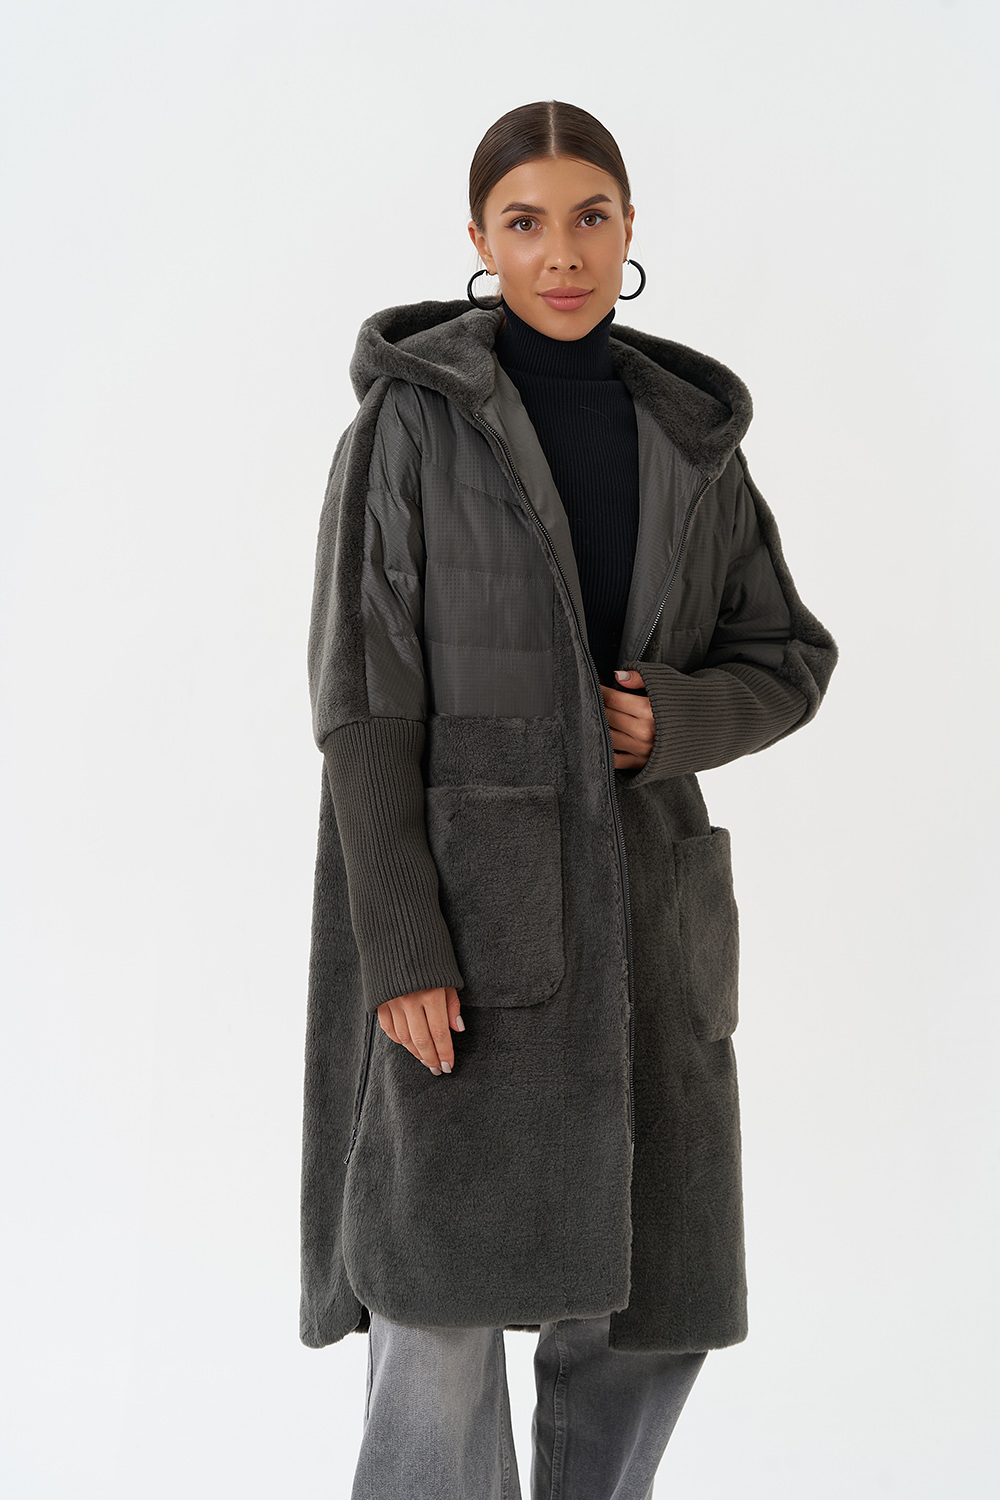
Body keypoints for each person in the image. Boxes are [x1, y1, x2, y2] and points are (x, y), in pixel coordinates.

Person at [301, 100, 838, 1499]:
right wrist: (403, 946)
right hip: (469, 927)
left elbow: (788, 655)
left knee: (649, 1312)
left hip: (649, 921)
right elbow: (362, 706)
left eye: (590, 217)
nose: (562, 254)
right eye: (526, 222)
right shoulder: (410, 428)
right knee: (435, 1306)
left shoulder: (690, 441)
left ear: (630, 227)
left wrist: (676, 719)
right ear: (480, 240)